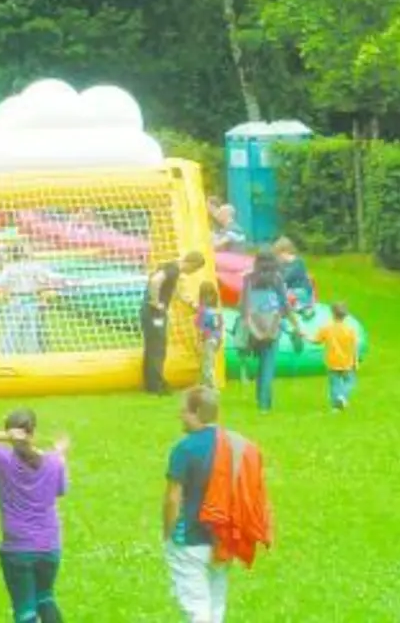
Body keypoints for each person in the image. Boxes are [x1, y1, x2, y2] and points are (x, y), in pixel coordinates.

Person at [0, 410, 70, 623]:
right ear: (33, 431)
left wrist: (6, 436)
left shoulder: (0, 460)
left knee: (25, 609)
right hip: (49, 545)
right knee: (45, 597)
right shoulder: (54, 461)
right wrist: (60, 453)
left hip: (18, 547)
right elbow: (61, 489)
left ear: (11, 433)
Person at [163, 386, 228, 622]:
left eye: (184, 411)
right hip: (223, 536)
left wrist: (168, 533)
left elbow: (173, 498)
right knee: (216, 602)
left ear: (197, 412)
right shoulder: (230, 444)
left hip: (190, 538)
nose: (180, 415)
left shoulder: (185, 449)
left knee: (196, 606)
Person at [143, 252, 207, 395]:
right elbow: (155, 281)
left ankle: (153, 383)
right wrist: (155, 302)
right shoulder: (173, 269)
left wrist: (190, 304)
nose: (191, 273)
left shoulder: (172, 269)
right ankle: (156, 385)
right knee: (157, 347)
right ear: (192, 264)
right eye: (194, 270)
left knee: (154, 346)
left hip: (154, 313)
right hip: (155, 313)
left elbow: (175, 291)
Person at [0, 248, 66, 356]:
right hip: (30, 300)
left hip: (17, 300)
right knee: (30, 328)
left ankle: (7, 352)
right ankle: (31, 352)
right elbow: (51, 276)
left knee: (12, 328)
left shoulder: (10, 267)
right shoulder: (35, 266)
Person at [240, 250, 292, 412]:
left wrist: (246, 323)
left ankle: (259, 396)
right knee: (268, 363)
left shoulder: (249, 279)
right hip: (272, 327)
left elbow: (243, 304)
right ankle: (264, 403)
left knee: (259, 361)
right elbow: (284, 305)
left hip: (253, 327)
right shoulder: (277, 279)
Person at [304, 302, 360, 410]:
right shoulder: (350, 329)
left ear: (333, 314)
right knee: (350, 381)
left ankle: (336, 406)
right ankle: (342, 396)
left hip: (332, 361)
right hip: (347, 362)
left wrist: (305, 336)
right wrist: (356, 361)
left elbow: (316, 341)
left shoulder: (327, 328)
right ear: (345, 315)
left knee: (334, 384)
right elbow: (354, 346)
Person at [272, 237, 314, 312]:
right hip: (292, 292)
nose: (277, 258)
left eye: (278, 255)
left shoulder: (298, 263)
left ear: (285, 252)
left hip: (302, 292)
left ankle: (300, 306)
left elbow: (286, 278)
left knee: (286, 294)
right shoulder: (284, 264)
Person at [195, 281, 223, 389]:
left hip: (208, 339)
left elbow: (200, 328)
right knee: (209, 361)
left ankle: (210, 384)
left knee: (207, 362)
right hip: (215, 338)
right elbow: (220, 326)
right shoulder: (216, 311)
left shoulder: (203, 311)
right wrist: (219, 339)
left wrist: (199, 340)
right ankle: (205, 382)